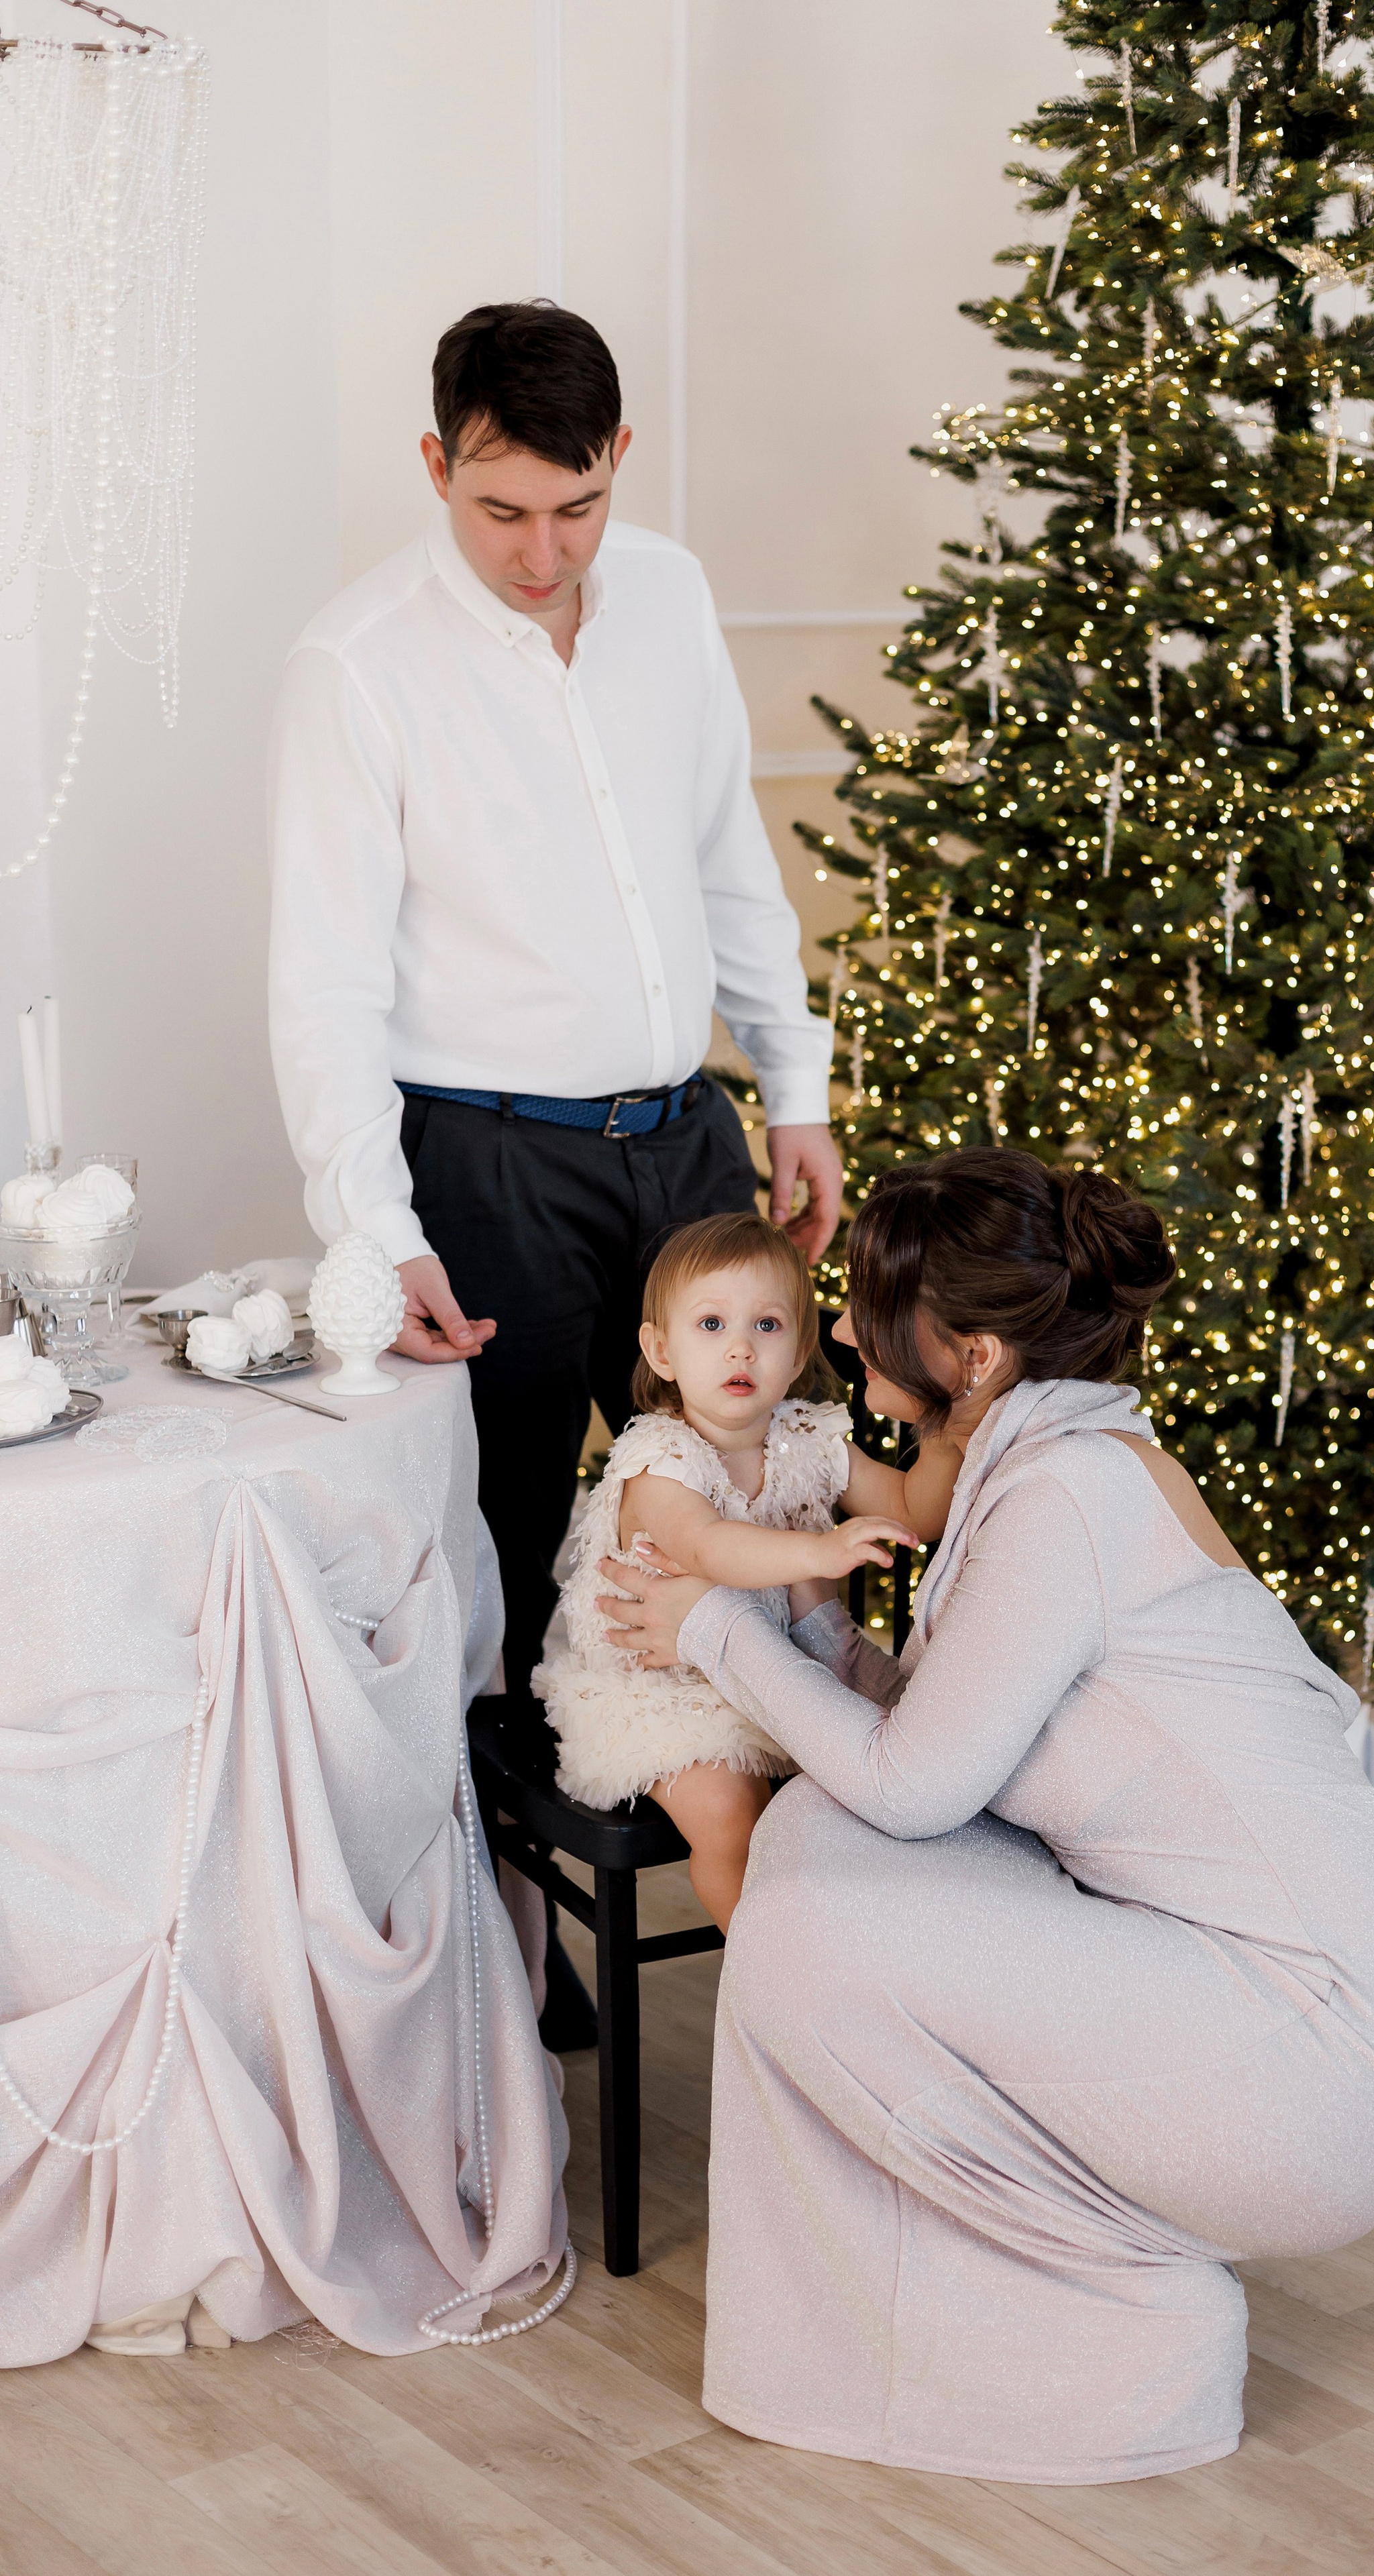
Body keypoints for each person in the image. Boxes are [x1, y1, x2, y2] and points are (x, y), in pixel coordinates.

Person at [597, 1149, 1374, 2484]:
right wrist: (808, 1624)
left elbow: (912, 1782)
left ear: (971, 1354)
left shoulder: (1065, 1496)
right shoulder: (1061, 1459)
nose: (832, 1333)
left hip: (1312, 2066)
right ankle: (953, 2304)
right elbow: (939, 1741)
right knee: (812, 1856)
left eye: (866, 1318)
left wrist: (712, 1626)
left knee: (812, 1914)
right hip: (1246, 1990)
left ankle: (1108, 2330)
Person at [267, 301, 839, 2032]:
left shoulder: (661, 592)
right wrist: (375, 1224)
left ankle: (820, 1922)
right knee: (504, 1554)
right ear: (437, 464)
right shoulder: (356, 661)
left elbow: (727, 845)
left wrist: (792, 1087)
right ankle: (509, 1963)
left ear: (619, 469)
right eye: (500, 507)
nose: (542, 550)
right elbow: (323, 976)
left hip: (684, 1132)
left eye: (573, 506)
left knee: (762, 1486)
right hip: (482, 1161)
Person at [536, 1210, 957, 1929]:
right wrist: (820, 1552)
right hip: (664, 1692)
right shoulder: (660, 1460)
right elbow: (706, 1547)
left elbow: (910, 1507)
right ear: (660, 1350)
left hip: (778, 1673)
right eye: (710, 1326)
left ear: (797, 1353)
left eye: (766, 1326)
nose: (740, 1348)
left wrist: (959, 1422)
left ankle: (874, 1952)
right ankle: (776, 1979)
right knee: (732, 1817)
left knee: (873, 1793)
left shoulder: (807, 1435)